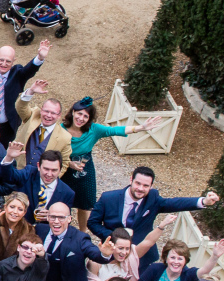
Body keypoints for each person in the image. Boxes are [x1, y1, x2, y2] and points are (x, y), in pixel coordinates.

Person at [61, 96, 161, 230]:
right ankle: (62, 230)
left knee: (85, 204)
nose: (81, 118)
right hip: (64, 167)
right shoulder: (60, 130)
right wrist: (69, 164)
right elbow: (52, 152)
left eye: (85, 116)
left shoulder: (94, 130)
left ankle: (82, 233)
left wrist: (141, 127)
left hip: (84, 169)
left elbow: (114, 130)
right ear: (73, 112)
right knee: (62, 201)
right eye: (79, 114)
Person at [88, 166, 220, 264]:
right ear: (131, 180)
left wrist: (204, 201)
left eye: (146, 186)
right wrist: (113, 237)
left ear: (151, 186)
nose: (140, 188)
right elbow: (92, 223)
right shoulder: (108, 198)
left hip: (143, 256)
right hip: (112, 251)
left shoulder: (153, 198)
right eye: (138, 183)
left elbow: (175, 203)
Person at [0, 41, 48, 139]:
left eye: (8, 61)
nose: (4, 64)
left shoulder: (17, 75)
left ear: (13, 61)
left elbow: (28, 70)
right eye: (1, 60)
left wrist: (40, 58)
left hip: (6, 128)